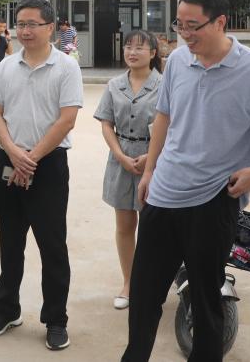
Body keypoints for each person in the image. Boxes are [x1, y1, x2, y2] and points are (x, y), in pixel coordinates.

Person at [121, 0, 250, 362]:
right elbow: (164, 116)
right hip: (164, 193)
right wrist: (150, 170)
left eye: (193, 26)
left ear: (220, 22)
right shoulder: (177, 62)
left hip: (214, 199)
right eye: (179, 25)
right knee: (145, 293)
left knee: (205, 297)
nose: (184, 34)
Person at [0, 0, 84, 351]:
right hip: (9, 159)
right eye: (20, 24)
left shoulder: (66, 67)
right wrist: (13, 152)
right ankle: (7, 310)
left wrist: (31, 158)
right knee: (10, 241)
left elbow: (67, 119)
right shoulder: (7, 66)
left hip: (49, 164)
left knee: (52, 245)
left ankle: (56, 319)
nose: (25, 30)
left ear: (50, 28)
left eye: (32, 24)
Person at [93, 29, 162, 311]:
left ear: (153, 53)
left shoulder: (165, 85)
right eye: (128, 47)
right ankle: (129, 283)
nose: (132, 52)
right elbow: (106, 123)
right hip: (121, 160)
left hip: (154, 162)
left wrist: (150, 157)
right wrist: (120, 155)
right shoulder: (114, 85)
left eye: (139, 48)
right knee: (124, 226)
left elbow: (173, 126)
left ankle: (151, 282)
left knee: (152, 228)